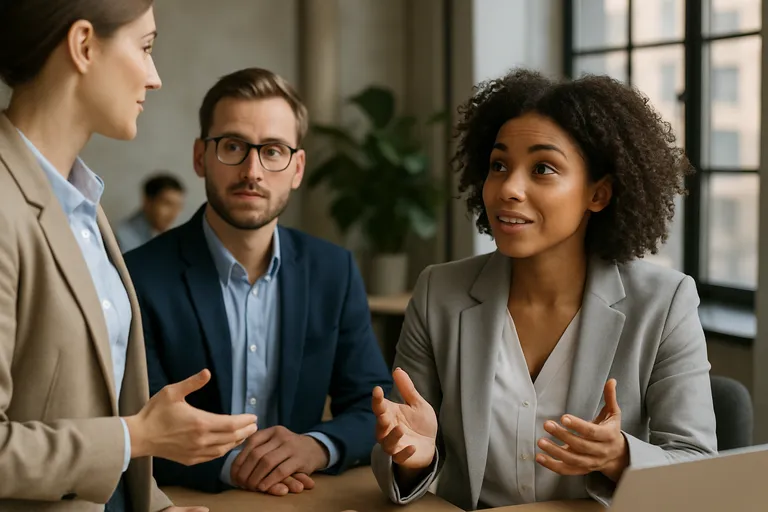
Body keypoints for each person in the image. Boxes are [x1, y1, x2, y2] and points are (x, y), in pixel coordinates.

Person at [370, 69, 718, 510]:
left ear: (599, 194)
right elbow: (394, 451)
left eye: (543, 168)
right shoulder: (440, 292)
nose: (508, 189)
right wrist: (411, 460)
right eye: (499, 165)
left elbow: (698, 466)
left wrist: (620, 457)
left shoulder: (664, 303)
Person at [0, 1, 259, 511]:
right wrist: (136, 438)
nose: (155, 76)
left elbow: (87, 410)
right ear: (83, 45)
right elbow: (120, 435)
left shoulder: (83, 202)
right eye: (145, 48)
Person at [124, 68, 392, 496]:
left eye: (272, 151)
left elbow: (371, 405)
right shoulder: (137, 275)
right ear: (200, 157)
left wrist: (315, 447)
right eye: (233, 146)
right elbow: (136, 423)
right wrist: (233, 465)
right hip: (184, 501)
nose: (253, 170)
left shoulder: (333, 270)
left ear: (297, 167)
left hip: (301, 498)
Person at [116, 173, 186, 253]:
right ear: (148, 202)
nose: (173, 213)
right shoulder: (122, 237)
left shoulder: (170, 238)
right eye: (167, 204)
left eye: (178, 206)